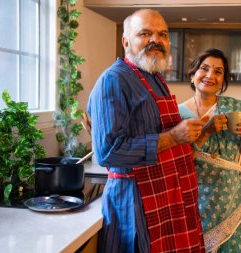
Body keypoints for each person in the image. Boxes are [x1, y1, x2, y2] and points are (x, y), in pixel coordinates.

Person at [87, 9, 206, 253]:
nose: (156, 40)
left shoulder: (153, 77)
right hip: (135, 201)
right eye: (145, 33)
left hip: (165, 194)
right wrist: (173, 137)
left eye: (162, 34)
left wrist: (186, 135)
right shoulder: (114, 80)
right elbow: (108, 153)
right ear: (125, 41)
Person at [179, 48, 241, 253]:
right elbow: (179, 163)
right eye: (204, 69)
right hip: (195, 199)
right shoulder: (177, 113)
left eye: (218, 72)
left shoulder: (237, 109)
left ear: (223, 80)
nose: (210, 76)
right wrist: (206, 132)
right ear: (193, 74)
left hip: (233, 198)